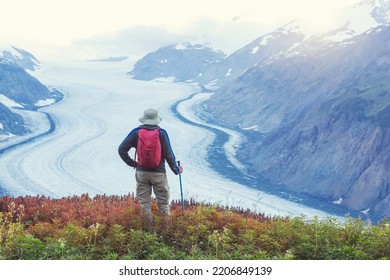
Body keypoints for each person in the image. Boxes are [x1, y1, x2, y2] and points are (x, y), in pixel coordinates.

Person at [118, 108, 183, 230]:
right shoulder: (162, 133)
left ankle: (148, 233)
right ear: (156, 119)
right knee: (163, 204)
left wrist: (133, 164)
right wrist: (176, 170)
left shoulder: (136, 132)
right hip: (159, 174)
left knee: (145, 205)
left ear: (144, 118)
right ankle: (165, 232)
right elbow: (169, 155)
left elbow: (121, 149)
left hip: (142, 173)